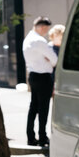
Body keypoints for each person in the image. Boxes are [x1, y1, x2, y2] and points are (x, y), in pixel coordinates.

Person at [22, 16, 58, 147]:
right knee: (43, 108)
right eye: (46, 29)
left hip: (32, 75)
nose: (47, 32)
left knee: (33, 107)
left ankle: (30, 137)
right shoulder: (40, 41)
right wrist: (48, 60)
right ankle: (42, 137)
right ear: (42, 27)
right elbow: (54, 60)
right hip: (43, 77)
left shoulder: (27, 39)